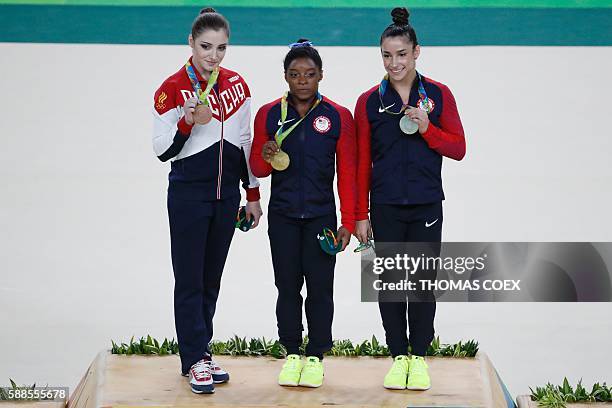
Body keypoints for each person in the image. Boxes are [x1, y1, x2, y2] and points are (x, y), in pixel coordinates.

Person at [353, 7, 466, 391]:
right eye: (387, 55)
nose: (394, 62)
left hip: (426, 203)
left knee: (420, 282)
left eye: (401, 54)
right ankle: (397, 355)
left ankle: (418, 357)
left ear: (417, 52)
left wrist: (428, 129)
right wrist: (359, 214)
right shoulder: (369, 101)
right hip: (384, 206)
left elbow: (459, 148)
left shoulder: (438, 94)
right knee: (389, 282)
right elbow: (361, 163)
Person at [152, 7, 262, 394]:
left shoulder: (237, 84)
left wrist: (251, 194)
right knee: (189, 281)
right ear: (191, 43)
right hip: (187, 198)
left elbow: (246, 141)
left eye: (221, 48)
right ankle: (194, 358)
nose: (213, 56)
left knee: (210, 280)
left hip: (224, 198)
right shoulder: (171, 88)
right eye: (206, 47)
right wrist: (186, 122)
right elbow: (161, 150)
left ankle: (199, 352)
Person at [249, 39, 356, 388]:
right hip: (282, 217)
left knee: (321, 289)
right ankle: (292, 351)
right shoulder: (269, 114)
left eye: (310, 74)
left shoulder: (337, 116)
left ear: (321, 75)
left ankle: (316, 356)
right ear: (285, 76)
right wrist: (265, 154)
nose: (302, 81)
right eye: (295, 74)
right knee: (287, 287)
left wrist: (348, 221)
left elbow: (348, 173)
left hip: (322, 219)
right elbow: (258, 170)